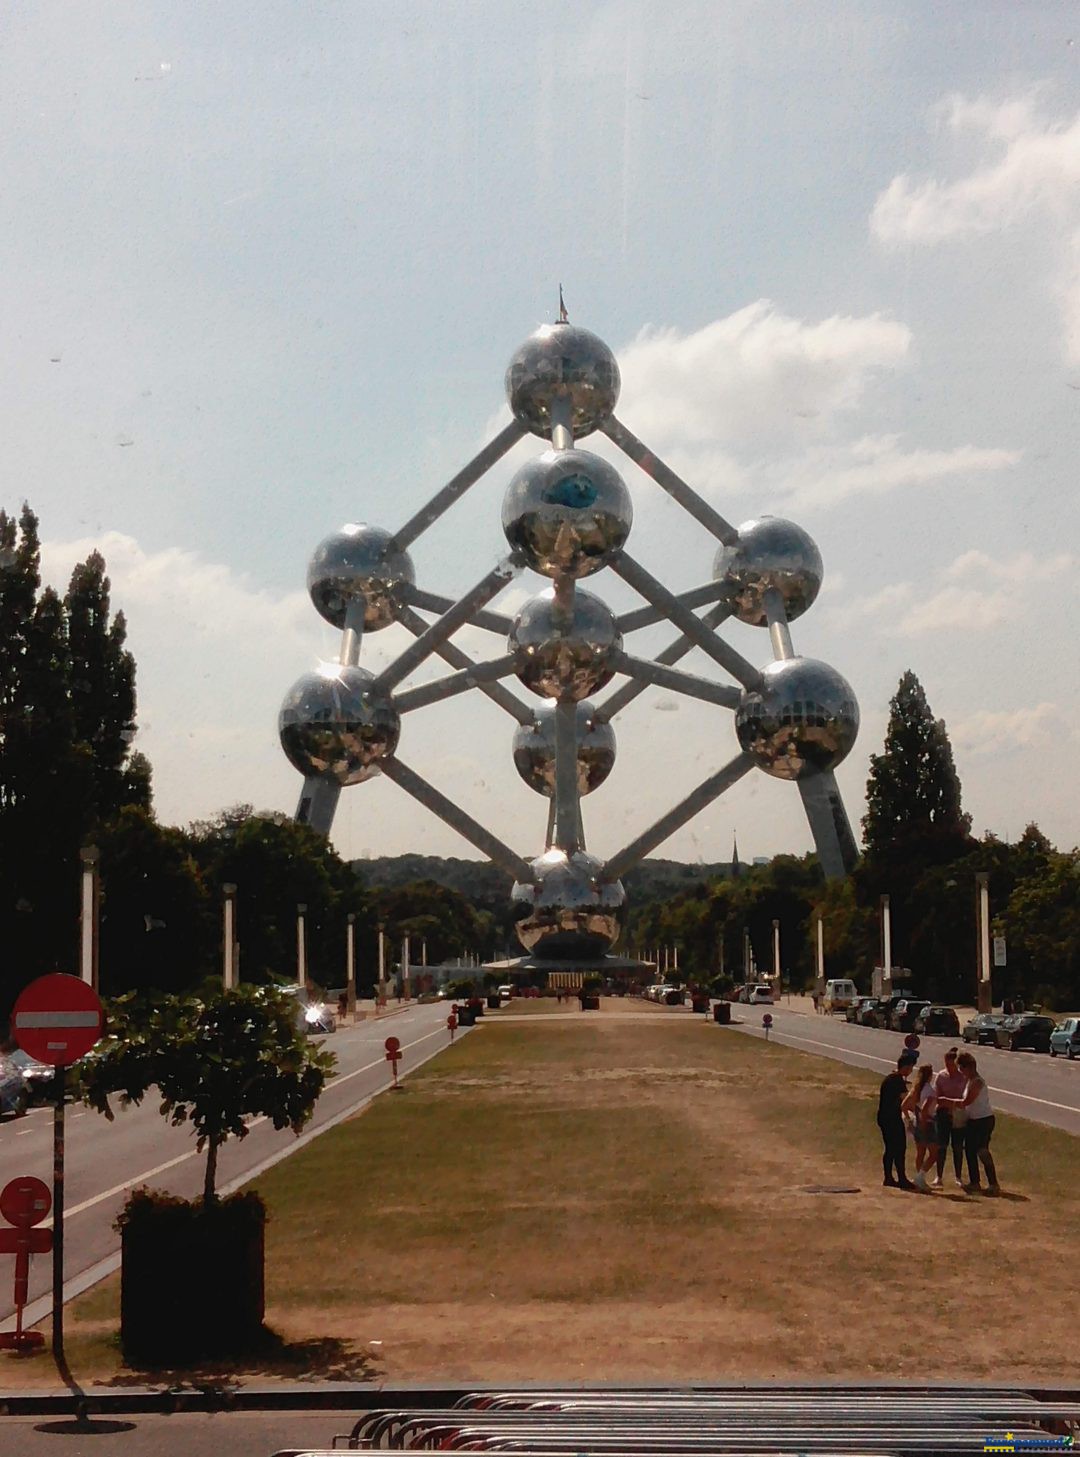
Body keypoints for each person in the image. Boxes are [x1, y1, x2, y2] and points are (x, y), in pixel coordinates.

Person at [937, 1051, 1000, 1194]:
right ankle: (974, 1182)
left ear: (968, 1068)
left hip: (983, 1120)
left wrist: (947, 1102)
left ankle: (993, 1183)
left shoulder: (977, 1082)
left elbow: (966, 1102)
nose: (961, 1072)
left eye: (962, 1069)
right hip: (973, 1120)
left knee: (982, 1150)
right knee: (970, 1150)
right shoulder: (969, 1081)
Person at [877, 1050, 918, 1189]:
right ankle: (901, 1177)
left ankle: (889, 1177)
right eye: (911, 1068)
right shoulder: (897, 1080)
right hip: (891, 1118)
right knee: (899, 1148)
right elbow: (906, 1100)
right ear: (905, 1067)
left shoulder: (890, 1078)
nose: (911, 1071)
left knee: (890, 1148)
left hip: (884, 1117)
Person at [932, 1048, 967, 1186]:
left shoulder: (963, 1077)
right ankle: (939, 1176)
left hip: (958, 1115)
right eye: (946, 1063)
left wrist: (950, 1102)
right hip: (943, 1114)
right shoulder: (941, 1076)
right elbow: (937, 1097)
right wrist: (949, 1102)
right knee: (941, 1146)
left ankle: (958, 1177)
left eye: (950, 1064)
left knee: (957, 1146)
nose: (948, 1066)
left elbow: (964, 1098)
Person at [902, 1062, 938, 1190]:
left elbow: (904, 1106)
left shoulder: (916, 1089)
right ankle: (920, 1177)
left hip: (917, 1123)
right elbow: (925, 1110)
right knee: (934, 1154)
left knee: (920, 1152)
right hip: (927, 1124)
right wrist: (927, 1120)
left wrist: (909, 1120)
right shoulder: (930, 1091)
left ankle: (919, 1178)